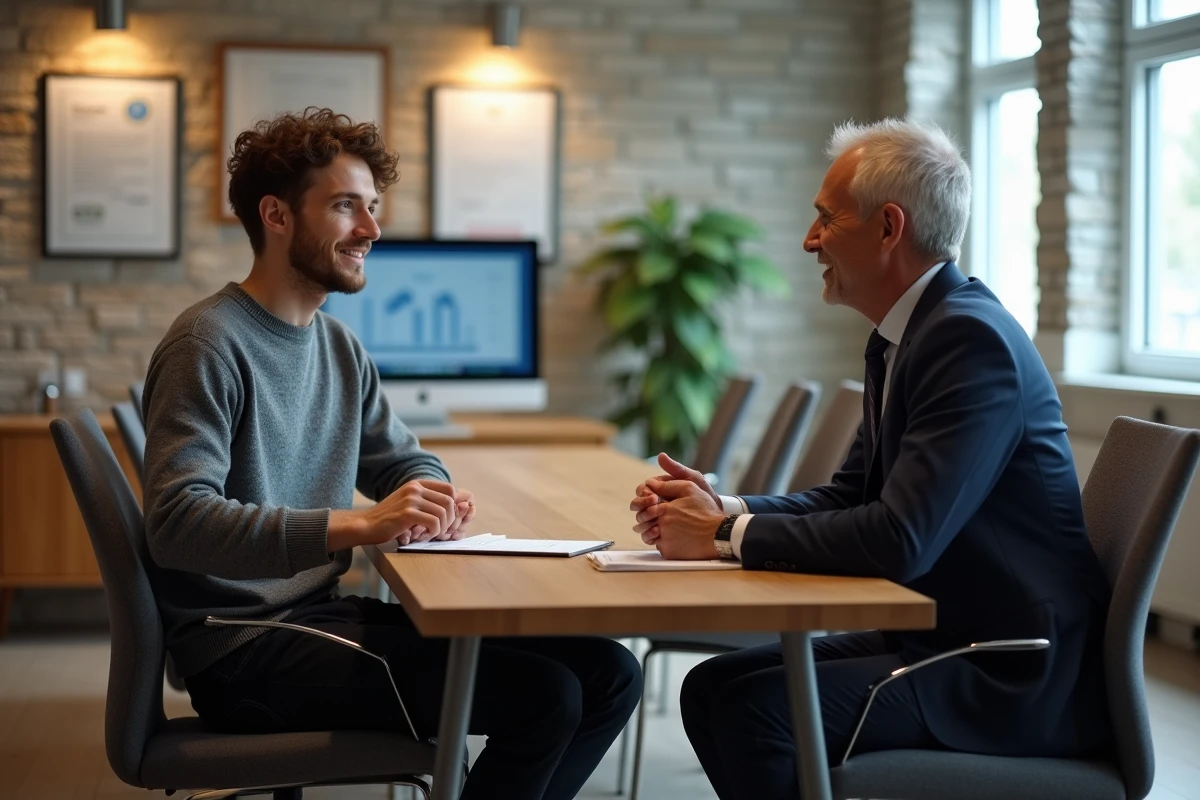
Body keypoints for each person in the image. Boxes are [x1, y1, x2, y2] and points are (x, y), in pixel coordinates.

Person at [142, 107, 640, 800]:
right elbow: (177, 524)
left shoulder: (337, 346)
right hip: (245, 647)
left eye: (373, 208)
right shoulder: (208, 343)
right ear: (277, 216)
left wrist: (431, 494)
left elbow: (403, 458)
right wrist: (358, 524)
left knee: (613, 673)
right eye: (347, 207)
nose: (372, 230)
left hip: (316, 617)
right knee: (545, 697)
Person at [629, 119, 1113, 799]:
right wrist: (726, 510)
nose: (808, 240)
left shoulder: (967, 341)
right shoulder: (908, 335)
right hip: (949, 637)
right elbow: (853, 496)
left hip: (1009, 673)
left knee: (753, 711)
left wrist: (718, 537)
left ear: (889, 227)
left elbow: (899, 539)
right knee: (713, 687)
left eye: (826, 218)